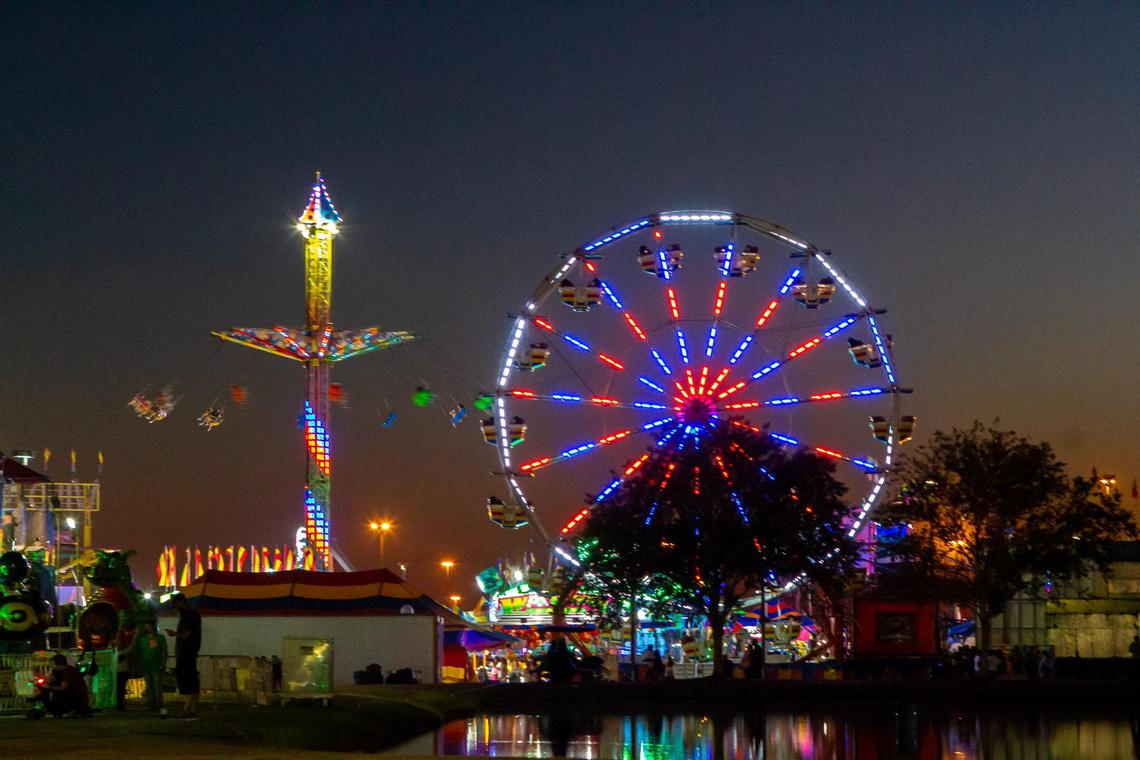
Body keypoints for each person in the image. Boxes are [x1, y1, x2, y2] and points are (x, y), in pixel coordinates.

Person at [165, 593, 201, 718]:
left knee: (187, 681)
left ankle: (187, 708)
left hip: (186, 653)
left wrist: (174, 633)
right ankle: (191, 709)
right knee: (193, 681)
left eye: (175, 606)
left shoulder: (188, 616)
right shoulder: (193, 615)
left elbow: (186, 635)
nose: (175, 610)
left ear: (180, 603)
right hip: (191, 653)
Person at [31, 653, 91, 717]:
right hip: (71, 695)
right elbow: (50, 679)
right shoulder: (61, 671)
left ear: (59, 664)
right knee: (49, 687)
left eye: (54, 664)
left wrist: (49, 686)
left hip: (76, 698)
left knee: (51, 688)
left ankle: (66, 709)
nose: (53, 666)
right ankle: (44, 703)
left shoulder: (68, 671)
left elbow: (63, 688)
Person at [132, 620, 168, 713]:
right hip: (146, 665)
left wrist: (163, 663)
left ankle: (159, 704)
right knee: (149, 686)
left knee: (157, 685)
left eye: (149, 626)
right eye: (147, 626)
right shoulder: (142, 639)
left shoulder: (160, 638)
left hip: (156, 665)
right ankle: (151, 704)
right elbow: (138, 652)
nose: (148, 628)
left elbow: (164, 651)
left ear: (153, 627)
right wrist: (139, 664)